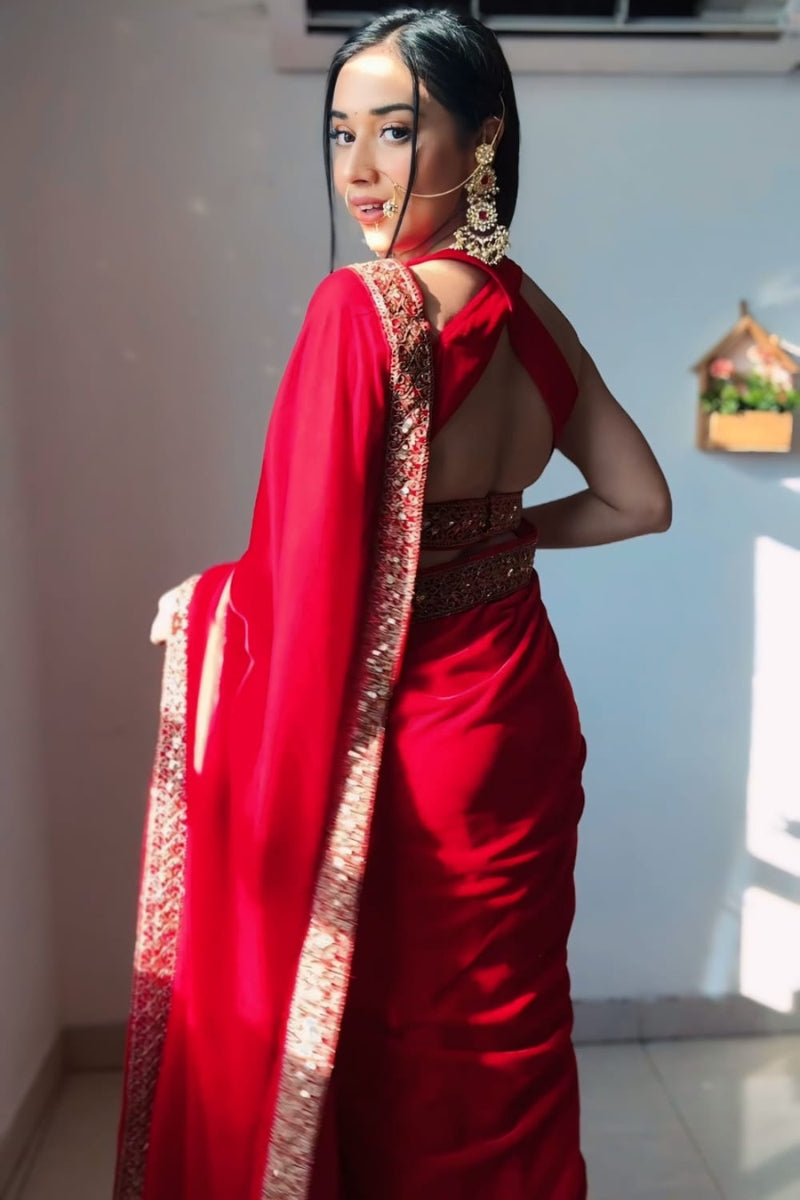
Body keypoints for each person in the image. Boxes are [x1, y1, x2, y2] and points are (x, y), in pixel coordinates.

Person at [114, 8, 671, 1200]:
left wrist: (212, 603)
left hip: (410, 748)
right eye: (339, 134)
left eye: (395, 130)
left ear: (481, 141)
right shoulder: (530, 311)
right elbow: (637, 502)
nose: (358, 170)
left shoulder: (361, 313)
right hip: (518, 723)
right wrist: (499, 532)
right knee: (502, 1051)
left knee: (399, 1060)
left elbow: (308, 574)